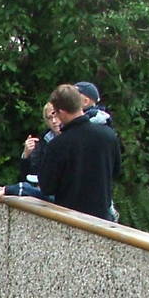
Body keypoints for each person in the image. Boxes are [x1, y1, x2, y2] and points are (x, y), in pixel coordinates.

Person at [33, 83, 121, 220]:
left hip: (70, 219)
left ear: (61, 111)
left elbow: (47, 187)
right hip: (102, 219)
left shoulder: (57, 145)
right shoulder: (109, 135)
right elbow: (115, 171)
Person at [2, 103, 62, 198]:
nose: (54, 121)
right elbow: (27, 175)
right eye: (50, 118)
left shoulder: (73, 137)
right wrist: (26, 155)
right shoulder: (43, 140)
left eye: (56, 116)